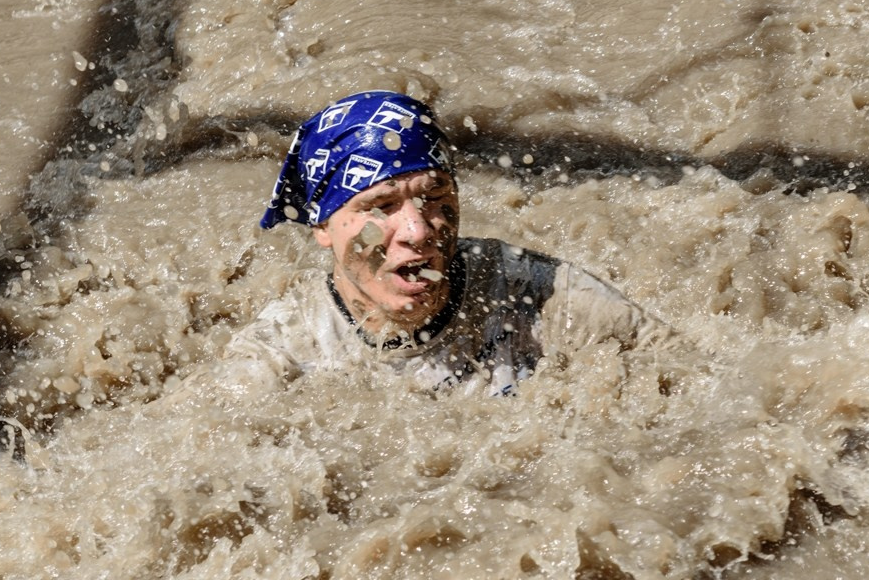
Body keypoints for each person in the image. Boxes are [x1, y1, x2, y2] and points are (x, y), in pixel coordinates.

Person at [186, 90, 667, 400]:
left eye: (435, 196)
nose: (418, 230)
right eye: (380, 206)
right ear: (324, 226)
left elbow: (686, 374)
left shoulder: (543, 297)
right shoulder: (284, 353)